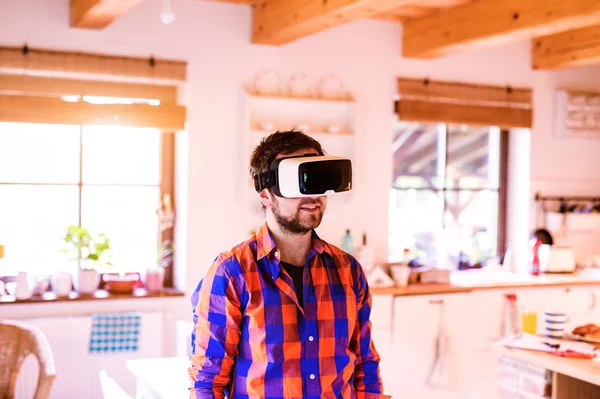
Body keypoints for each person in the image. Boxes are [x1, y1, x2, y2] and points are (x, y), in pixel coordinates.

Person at [188, 130, 383, 399]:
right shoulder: (231, 273)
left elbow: (365, 367)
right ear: (265, 194)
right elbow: (207, 381)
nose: (313, 196)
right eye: (299, 183)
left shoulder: (348, 271)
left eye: (317, 180)